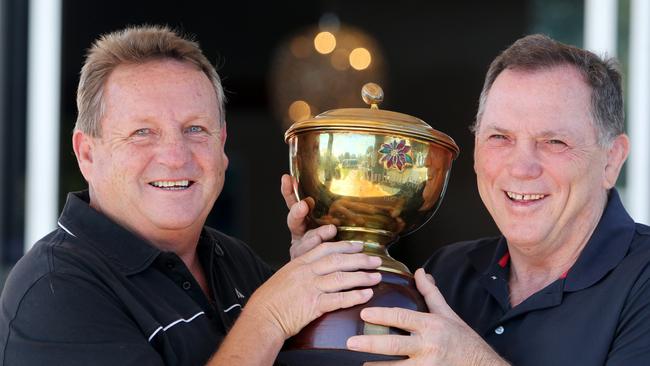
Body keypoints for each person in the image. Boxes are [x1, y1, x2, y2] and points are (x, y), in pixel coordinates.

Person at [0, 25, 383, 365]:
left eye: (196, 129)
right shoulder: (53, 292)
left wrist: (311, 280)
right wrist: (268, 317)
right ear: (87, 153)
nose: (175, 156)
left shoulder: (234, 261)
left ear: (222, 145)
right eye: (142, 132)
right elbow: (269, 322)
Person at [283, 34, 650, 365]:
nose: (521, 167)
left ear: (611, 160)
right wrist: (329, 273)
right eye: (499, 137)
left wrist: (471, 361)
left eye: (554, 142)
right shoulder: (447, 272)